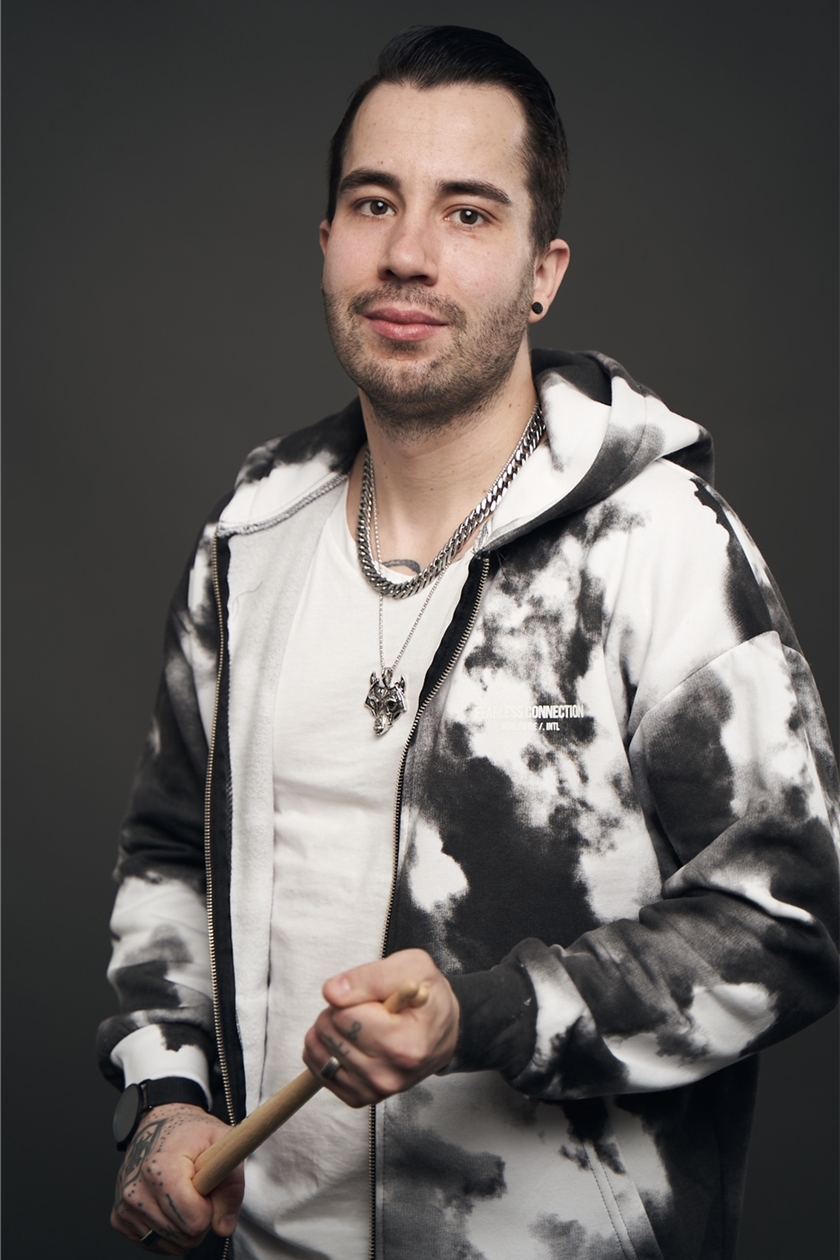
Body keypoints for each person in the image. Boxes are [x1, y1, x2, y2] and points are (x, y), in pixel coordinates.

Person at [98, 24, 840, 1260]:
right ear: (326, 239)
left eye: (468, 212)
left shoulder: (659, 543)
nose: (407, 253)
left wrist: (491, 1013)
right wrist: (165, 1096)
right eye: (373, 202)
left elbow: (794, 913)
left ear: (543, 272)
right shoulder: (249, 541)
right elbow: (169, 853)